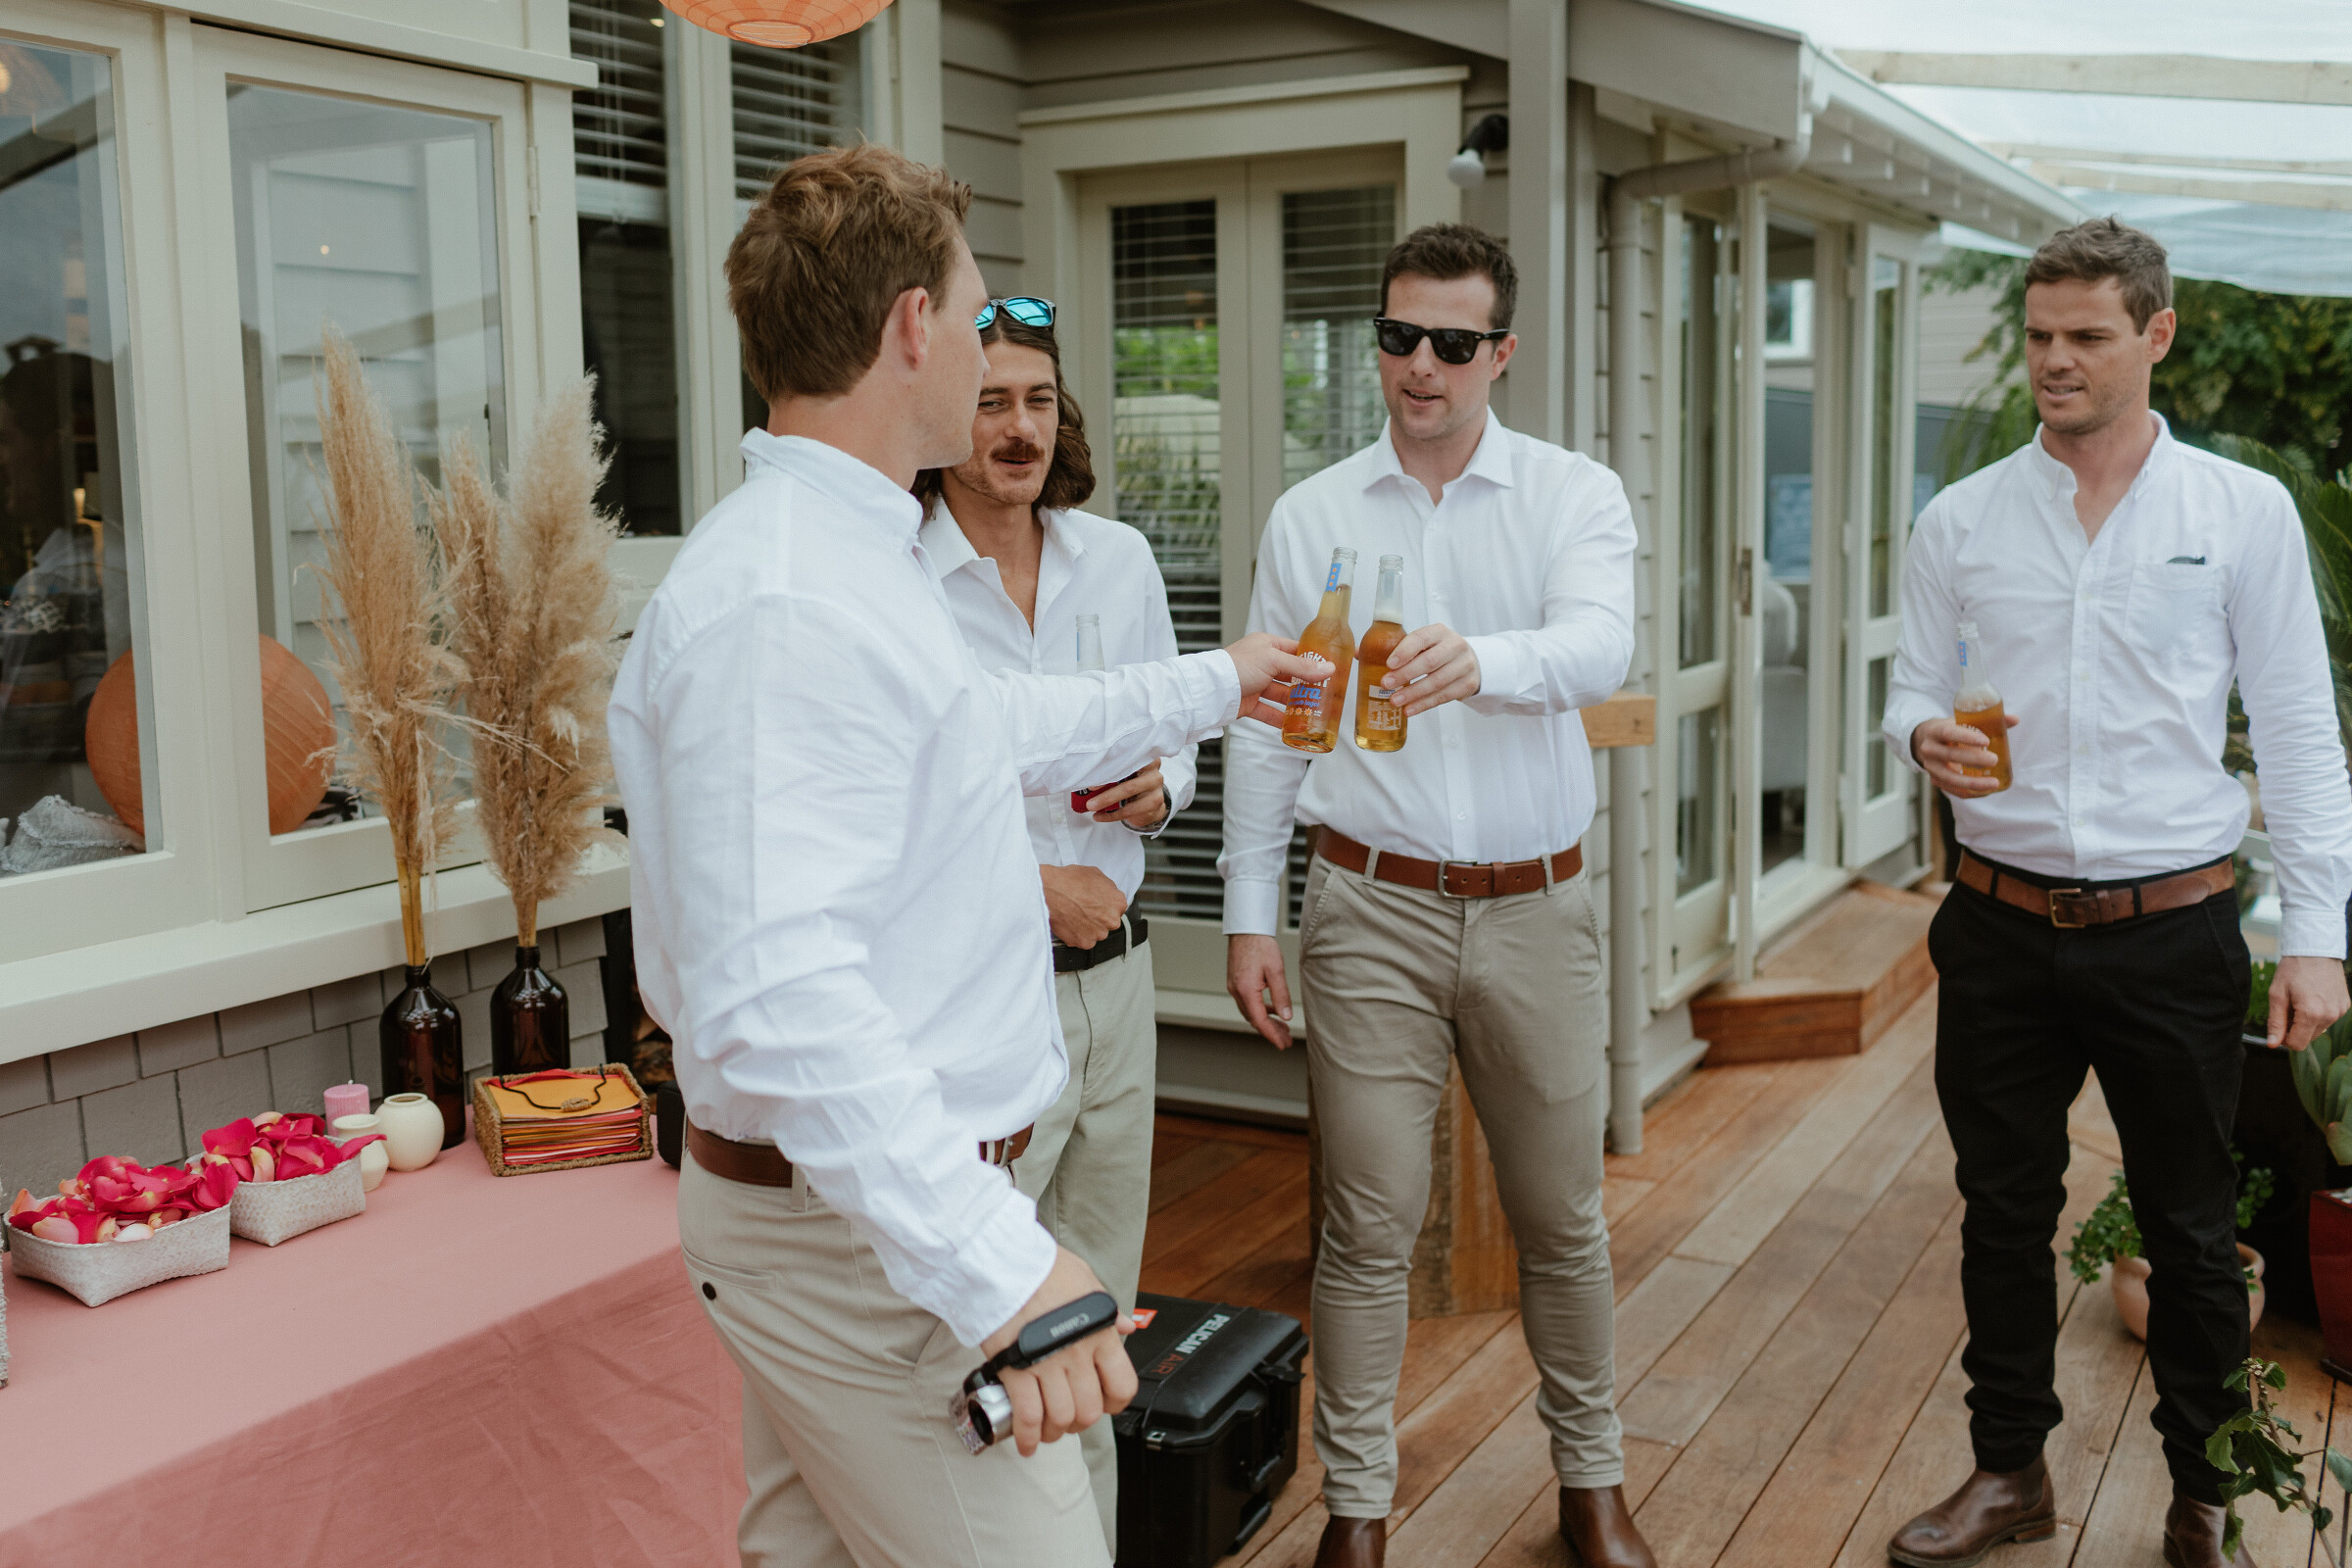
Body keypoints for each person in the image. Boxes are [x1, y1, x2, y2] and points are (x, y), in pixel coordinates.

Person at [608, 143, 1320, 1568]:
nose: (994, 350)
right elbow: (777, 996)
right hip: (869, 1244)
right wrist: (1001, 1269)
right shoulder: (786, 603)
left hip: (857, 1221)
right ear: (913, 326)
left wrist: (1219, 680)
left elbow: (989, 721)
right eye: (976, 307)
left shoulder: (845, 556)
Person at [1881, 217, 2352, 1568]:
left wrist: (2317, 940)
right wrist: (1920, 738)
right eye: (2039, 336)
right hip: (1996, 922)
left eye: (2087, 336)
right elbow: (1911, 690)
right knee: (2002, 1214)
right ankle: (2008, 1471)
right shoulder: (1962, 519)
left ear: (2157, 334)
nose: (2056, 360)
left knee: (2193, 1230)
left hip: (2173, 929)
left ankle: (2201, 1494)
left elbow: (2299, 730)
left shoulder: (2240, 513)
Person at [1220, 222, 1649, 1568]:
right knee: (1365, 1226)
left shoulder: (1574, 492)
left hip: (1537, 909)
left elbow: (1602, 644)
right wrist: (1247, 912)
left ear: (1500, 353)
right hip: (1369, 908)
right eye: (1400, 336)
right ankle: (1356, 1513)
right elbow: (1272, 726)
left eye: (1453, 343)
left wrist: (1490, 662)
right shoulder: (1313, 514)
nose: (1422, 365)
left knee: (1561, 1220)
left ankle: (1592, 1488)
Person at [912, 298, 1187, 1546]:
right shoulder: (901, 580)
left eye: (1035, 400)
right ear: (942, 416)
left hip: (1122, 985)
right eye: (988, 401)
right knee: (989, 1322)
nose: (1017, 428)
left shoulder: (1116, 560)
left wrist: (1166, 783)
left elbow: (1173, 722)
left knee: (1102, 1319)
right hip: (988, 996)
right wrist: (1035, 884)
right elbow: (899, 807)